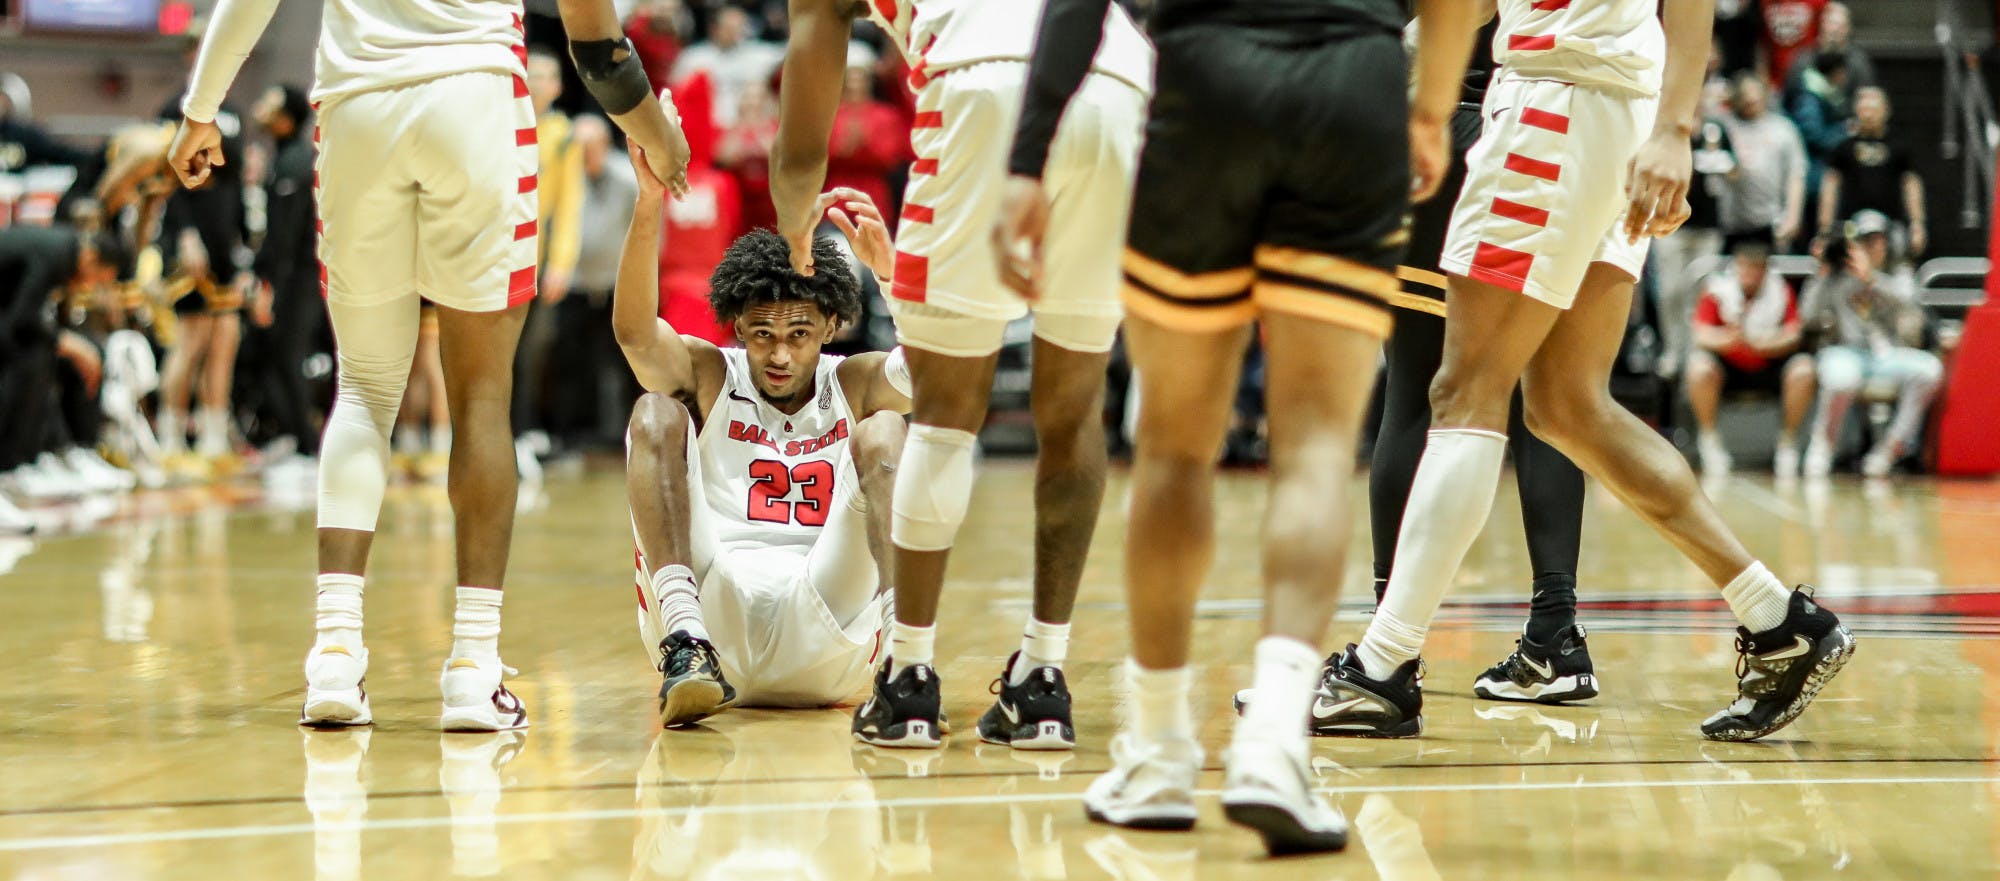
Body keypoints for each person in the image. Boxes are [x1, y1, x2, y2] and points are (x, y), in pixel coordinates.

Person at [999, 0, 1476, 855]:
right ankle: (1275, 740)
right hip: (1355, 89)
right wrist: (1433, 109)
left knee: (1176, 449)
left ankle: (1156, 753)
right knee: (1318, 451)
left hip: (1205, 77)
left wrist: (1029, 157)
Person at [1313, 0, 1854, 748]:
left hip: (1557, 99)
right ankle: (1778, 620)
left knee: (1463, 391)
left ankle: (1379, 669)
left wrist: (1676, 127)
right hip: (1599, 105)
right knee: (1567, 406)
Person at [773, 0, 1153, 754]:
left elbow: (802, 134)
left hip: (985, 81)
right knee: (1075, 411)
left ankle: (909, 679)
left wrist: (792, 231)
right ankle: (1042, 679)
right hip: (1120, 80)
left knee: (945, 417)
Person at [170, 0, 552, 730]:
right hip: (474, 92)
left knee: (365, 388)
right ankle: (474, 667)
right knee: (479, 397)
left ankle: (335, 653)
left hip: (358, 105)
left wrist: (201, 108)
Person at [615, 134, 911, 724]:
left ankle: (905, 661)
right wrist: (649, 202)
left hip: (828, 620)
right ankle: (683, 640)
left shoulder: (853, 382)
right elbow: (635, 335)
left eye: (797, 335)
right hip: (713, 625)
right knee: (654, 410)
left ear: (830, 326)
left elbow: (932, 376)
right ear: (738, 329)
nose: (779, 354)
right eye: (762, 335)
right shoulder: (710, 374)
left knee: (886, 433)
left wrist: (893, 280)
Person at [1369, 21, 1597, 707]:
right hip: (1564, 128)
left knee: (1414, 388)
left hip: (1463, 121)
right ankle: (1556, 632)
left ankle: (1390, 647)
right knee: (1547, 398)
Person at [1800, 210, 1940, 478]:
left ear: (1887, 243)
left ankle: (1890, 449)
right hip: (1845, 352)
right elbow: (1809, 317)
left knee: (1929, 370)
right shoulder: (1834, 276)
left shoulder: (1898, 274)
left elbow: (1909, 303)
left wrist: (1871, 279)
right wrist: (1821, 272)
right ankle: (1823, 447)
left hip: (1887, 355)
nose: (1872, 246)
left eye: (1877, 240)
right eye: (1865, 241)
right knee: (1842, 378)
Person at [1684, 236, 1815, 477]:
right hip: (1728, 367)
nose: (1749, 273)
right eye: (1744, 266)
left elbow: (1794, 335)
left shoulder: (1781, 291)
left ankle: (1787, 444)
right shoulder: (1717, 290)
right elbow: (1701, 335)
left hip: (1769, 365)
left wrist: (1764, 344)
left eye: (1755, 268)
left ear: (1764, 269)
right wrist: (1730, 340)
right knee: (1698, 367)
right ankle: (1710, 442)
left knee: (1804, 369)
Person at [547, 114, 638, 447]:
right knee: (570, 362)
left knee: (625, 362)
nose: (584, 152)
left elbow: (645, 229)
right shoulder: (562, 177)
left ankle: (628, 435)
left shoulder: (627, 179)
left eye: (590, 145)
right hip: (572, 284)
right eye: (577, 146)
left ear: (604, 144)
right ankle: (566, 436)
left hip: (616, 285)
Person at [245, 84, 322, 471]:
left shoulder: (296, 162)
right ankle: (293, 438)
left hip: (300, 276)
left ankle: (308, 449)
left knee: (289, 359)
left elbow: (287, 236)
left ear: (287, 117)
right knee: (275, 358)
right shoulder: (283, 158)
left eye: (269, 102)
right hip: (291, 274)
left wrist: (269, 286)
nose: (260, 107)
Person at [1820, 87, 1927, 257]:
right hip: (1851, 225)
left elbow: (1911, 184)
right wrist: (1824, 229)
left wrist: (1917, 224)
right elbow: (1830, 185)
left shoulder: (1900, 146)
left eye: (1873, 109)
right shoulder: (1843, 147)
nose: (1868, 115)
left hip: (1891, 227)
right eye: (1864, 109)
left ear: (1885, 111)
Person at [1720, 74, 1807, 253]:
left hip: (1770, 220)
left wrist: (1792, 216)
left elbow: (1796, 174)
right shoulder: (1724, 126)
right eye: (1745, 97)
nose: (1750, 102)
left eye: (1755, 98)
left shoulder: (1783, 129)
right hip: (1730, 221)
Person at [669, 7, 785, 128]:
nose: (735, 33)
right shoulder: (693, 58)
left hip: (743, 130)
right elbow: (675, 93)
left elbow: (789, 50)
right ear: (714, 28)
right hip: (706, 128)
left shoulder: (755, 55)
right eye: (730, 28)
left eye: (739, 28)